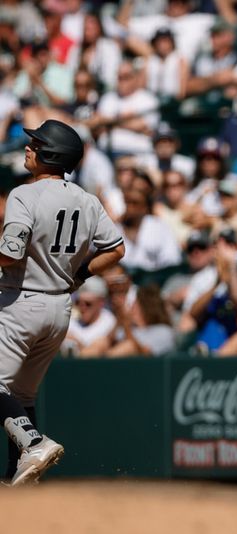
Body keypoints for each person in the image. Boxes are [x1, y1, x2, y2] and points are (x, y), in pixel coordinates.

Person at [0, 119, 125, 485]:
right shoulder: (87, 199)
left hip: (19, 301)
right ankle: (17, 475)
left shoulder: (25, 194)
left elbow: (10, 253)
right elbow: (116, 249)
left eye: (35, 144)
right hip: (59, 307)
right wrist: (80, 276)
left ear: (49, 155)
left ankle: (33, 443)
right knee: (22, 394)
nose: (28, 148)